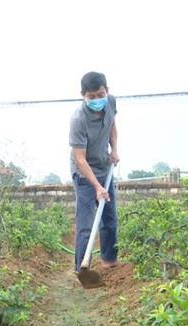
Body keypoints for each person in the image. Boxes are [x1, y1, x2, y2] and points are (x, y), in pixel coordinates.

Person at [69, 71, 119, 273]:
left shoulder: (111, 102)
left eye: (100, 94)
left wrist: (114, 149)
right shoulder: (78, 120)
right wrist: (97, 187)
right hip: (84, 174)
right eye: (91, 96)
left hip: (104, 166)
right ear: (83, 95)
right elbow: (80, 159)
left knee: (109, 218)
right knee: (86, 224)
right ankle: (82, 269)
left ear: (107, 90)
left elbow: (113, 126)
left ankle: (109, 262)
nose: (97, 100)